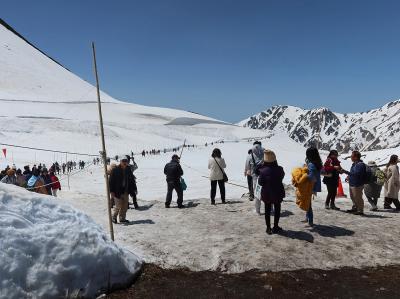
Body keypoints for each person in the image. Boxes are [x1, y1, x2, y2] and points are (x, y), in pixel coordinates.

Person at [258, 150, 285, 235]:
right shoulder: (280, 169)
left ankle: (268, 228)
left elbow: (260, 183)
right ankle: (276, 226)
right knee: (277, 210)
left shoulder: (262, 171)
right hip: (278, 192)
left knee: (267, 210)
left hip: (267, 193)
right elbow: (282, 177)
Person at [109, 156, 137, 224]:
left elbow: (131, 180)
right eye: (123, 161)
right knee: (118, 206)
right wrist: (111, 191)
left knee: (124, 206)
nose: (125, 162)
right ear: (120, 162)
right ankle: (114, 217)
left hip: (126, 191)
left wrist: (133, 189)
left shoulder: (128, 169)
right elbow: (111, 181)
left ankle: (122, 218)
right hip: (117, 191)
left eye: (126, 161)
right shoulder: (115, 170)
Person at [344, 151, 367, 215]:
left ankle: (360, 210)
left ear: (356, 157)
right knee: (353, 197)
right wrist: (348, 176)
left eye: (352, 156)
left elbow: (356, 174)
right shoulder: (354, 164)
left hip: (357, 184)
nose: (351, 157)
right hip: (352, 183)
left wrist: (345, 172)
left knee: (358, 197)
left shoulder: (360, 165)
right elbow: (353, 172)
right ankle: (355, 208)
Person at [304, 147, 323, 226]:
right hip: (315, 185)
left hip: (310, 185)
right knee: (308, 202)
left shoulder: (311, 164)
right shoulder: (318, 162)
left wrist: (304, 176)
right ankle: (307, 217)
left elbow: (311, 176)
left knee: (308, 203)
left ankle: (310, 220)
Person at [250, 141, 265, 214]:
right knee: (267, 193)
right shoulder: (265, 153)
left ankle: (257, 211)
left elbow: (247, 166)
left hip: (256, 177)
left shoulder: (250, 155)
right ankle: (270, 209)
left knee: (257, 194)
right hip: (265, 176)